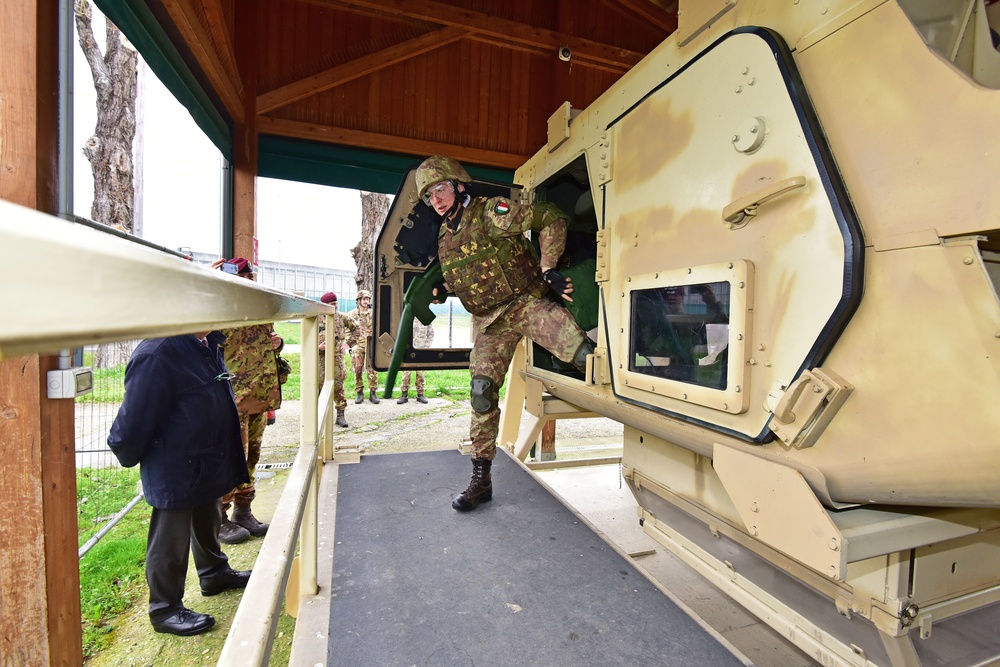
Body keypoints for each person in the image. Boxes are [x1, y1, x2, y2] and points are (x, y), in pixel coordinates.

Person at [416, 155, 594, 512]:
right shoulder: (444, 238)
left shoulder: (490, 212)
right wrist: (444, 289)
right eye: (429, 196)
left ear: (458, 185)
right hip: (488, 323)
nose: (435, 200)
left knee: (583, 356)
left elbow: (550, 218)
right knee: (481, 393)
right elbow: (474, 275)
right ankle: (480, 481)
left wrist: (548, 268)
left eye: (440, 189)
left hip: (525, 304)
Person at [107, 331, 252, 637]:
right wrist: (125, 450)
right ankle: (165, 609)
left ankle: (214, 574)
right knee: (170, 537)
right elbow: (132, 422)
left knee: (209, 515)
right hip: (174, 463)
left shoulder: (207, 342)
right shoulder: (156, 353)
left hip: (204, 455)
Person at [214, 257, 283, 543]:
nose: (246, 280)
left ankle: (243, 510)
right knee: (230, 456)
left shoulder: (259, 307)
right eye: (239, 275)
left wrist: (277, 344)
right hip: (232, 396)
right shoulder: (218, 307)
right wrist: (212, 282)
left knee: (252, 455)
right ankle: (218, 518)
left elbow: (265, 343)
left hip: (258, 393)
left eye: (248, 275)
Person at [318, 291, 359, 427]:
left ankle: (340, 415)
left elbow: (357, 329)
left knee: (338, 386)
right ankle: (318, 416)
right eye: (331, 304)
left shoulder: (342, 317)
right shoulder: (315, 318)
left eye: (336, 303)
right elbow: (306, 338)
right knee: (318, 385)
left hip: (336, 358)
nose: (335, 306)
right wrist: (318, 347)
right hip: (319, 358)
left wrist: (349, 344)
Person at [346, 288, 380, 404]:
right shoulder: (351, 315)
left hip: (371, 344)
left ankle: (373, 392)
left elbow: (378, 328)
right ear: (358, 300)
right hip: (357, 346)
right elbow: (347, 330)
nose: (366, 301)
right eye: (364, 299)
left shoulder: (374, 313)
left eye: (368, 299)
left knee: (372, 370)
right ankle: (359, 392)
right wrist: (351, 344)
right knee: (358, 369)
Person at [397, 320, 435, 403]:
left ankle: (420, 395)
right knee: (406, 373)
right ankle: (404, 394)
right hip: (409, 351)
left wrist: (426, 347)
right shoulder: (408, 318)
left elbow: (431, 334)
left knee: (420, 374)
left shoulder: (425, 318)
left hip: (421, 350)